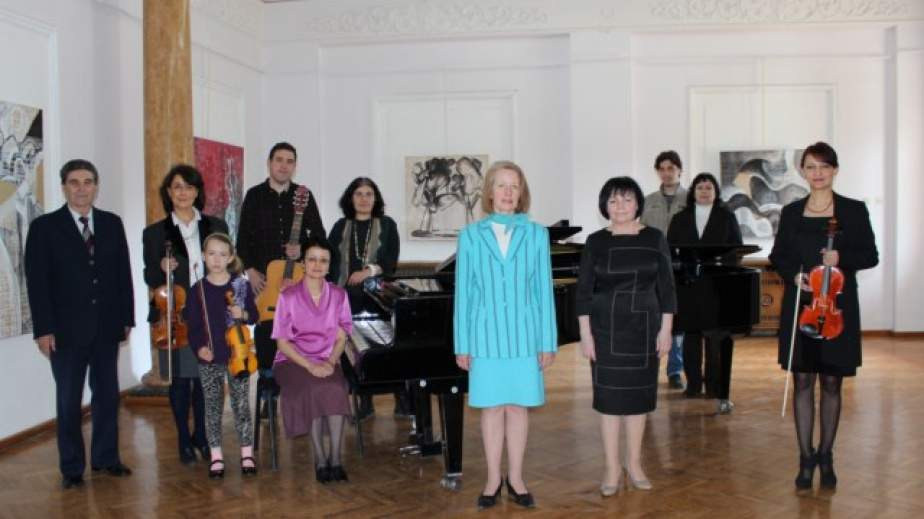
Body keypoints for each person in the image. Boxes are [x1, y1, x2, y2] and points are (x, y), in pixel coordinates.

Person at [769, 142, 878, 490]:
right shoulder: (791, 212)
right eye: (811, 167)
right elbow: (779, 256)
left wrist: (841, 258)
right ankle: (805, 460)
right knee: (802, 381)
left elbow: (870, 255)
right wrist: (794, 276)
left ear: (835, 170)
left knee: (831, 383)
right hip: (802, 304)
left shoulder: (853, 210)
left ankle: (826, 456)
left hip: (837, 307)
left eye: (824, 166)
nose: (817, 173)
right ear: (803, 171)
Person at [24, 159, 135, 489]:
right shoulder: (45, 228)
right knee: (69, 400)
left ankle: (106, 458)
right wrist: (44, 329)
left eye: (88, 182)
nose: (82, 188)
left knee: (107, 396)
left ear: (96, 187)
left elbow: (123, 274)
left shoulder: (112, 223)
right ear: (64, 187)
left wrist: (126, 318)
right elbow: (38, 284)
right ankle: (72, 468)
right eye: (75, 182)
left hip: (106, 327)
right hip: (65, 332)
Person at [453, 160, 557, 509]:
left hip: (525, 336)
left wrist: (547, 342)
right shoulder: (470, 236)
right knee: (492, 408)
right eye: (501, 185)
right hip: (484, 337)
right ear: (490, 191)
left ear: (521, 192)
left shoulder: (537, 234)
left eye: (514, 186)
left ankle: (516, 477)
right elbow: (464, 296)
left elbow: (543, 292)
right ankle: (492, 479)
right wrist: (462, 345)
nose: (508, 192)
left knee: (517, 407)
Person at [577, 176, 676, 496]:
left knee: (637, 400)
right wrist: (585, 335)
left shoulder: (654, 238)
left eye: (627, 199)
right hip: (605, 328)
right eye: (613, 200)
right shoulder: (596, 241)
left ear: (638, 204)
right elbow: (583, 292)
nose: (620, 206)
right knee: (609, 401)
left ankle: (634, 463)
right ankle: (611, 466)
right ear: (605, 206)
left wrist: (666, 329)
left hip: (645, 327)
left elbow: (667, 288)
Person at [142, 164, 227, 465]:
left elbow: (229, 266)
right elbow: (149, 276)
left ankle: (201, 436)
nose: (183, 193)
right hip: (174, 316)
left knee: (205, 379)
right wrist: (161, 268)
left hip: (209, 311)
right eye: (177, 187)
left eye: (189, 187)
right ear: (168, 192)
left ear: (197, 192)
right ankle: (183, 439)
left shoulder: (215, 226)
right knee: (179, 381)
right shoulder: (155, 232)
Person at [236, 142, 325, 405]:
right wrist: (250, 271)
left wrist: (302, 249)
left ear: (294, 166)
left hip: (297, 281)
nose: (284, 166)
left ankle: (299, 392)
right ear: (269, 163)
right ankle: (268, 392)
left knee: (298, 335)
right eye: (279, 160)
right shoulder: (254, 196)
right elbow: (242, 239)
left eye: (289, 161)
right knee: (266, 335)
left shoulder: (303, 196)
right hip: (264, 283)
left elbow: (320, 237)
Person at [272, 236, 353, 484]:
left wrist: (329, 363)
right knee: (313, 388)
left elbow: (342, 336)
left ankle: (336, 459)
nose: (317, 265)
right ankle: (319, 459)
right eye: (312, 259)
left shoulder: (339, 295)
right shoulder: (288, 296)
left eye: (323, 260)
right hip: (292, 360)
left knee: (336, 388)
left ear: (329, 266)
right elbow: (282, 343)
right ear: (303, 264)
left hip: (328, 358)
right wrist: (309, 366)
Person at [327, 177, 404, 420]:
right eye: (358, 194)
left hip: (378, 298)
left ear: (375, 198)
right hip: (347, 300)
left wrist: (368, 271)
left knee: (385, 350)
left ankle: (401, 399)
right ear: (350, 198)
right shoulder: (340, 226)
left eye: (368, 194)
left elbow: (390, 260)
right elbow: (329, 260)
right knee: (355, 353)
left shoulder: (387, 224)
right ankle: (365, 401)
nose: (363, 199)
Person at [667, 173, 743, 413]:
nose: (704, 191)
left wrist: (725, 270)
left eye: (709, 187)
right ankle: (693, 384)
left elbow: (737, 250)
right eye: (700, 187)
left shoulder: (727, 217)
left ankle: (713, 385)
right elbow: (670, 250)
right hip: (688, 283)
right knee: (691, 334)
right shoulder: (680, 218)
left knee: (715, 336)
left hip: (717, 284)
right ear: (693, 192)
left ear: (716, 192)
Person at [186, 233, 259, 479]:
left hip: (238, 355)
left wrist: (243, 314)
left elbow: (254, 316)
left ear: (230, 258)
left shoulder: (241, 286)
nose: (217, 259)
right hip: (210, 357)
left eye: (222, 254)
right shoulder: (197, 290)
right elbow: (194, 328)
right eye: (211, 254)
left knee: (241, 405)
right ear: (203, 256)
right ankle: (216, 455)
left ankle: (246, 453)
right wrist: (199, 348)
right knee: (212, 407)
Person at [641, 150, 687, 390]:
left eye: (671, 168)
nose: (667, 173)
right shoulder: (648, 201)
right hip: (653, 268)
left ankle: (675, 369)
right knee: (653, 319)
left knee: (678, 322)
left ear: (680, 170)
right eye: (662, 169)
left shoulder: (690, 200)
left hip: (681, 268)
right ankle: (650, 369)